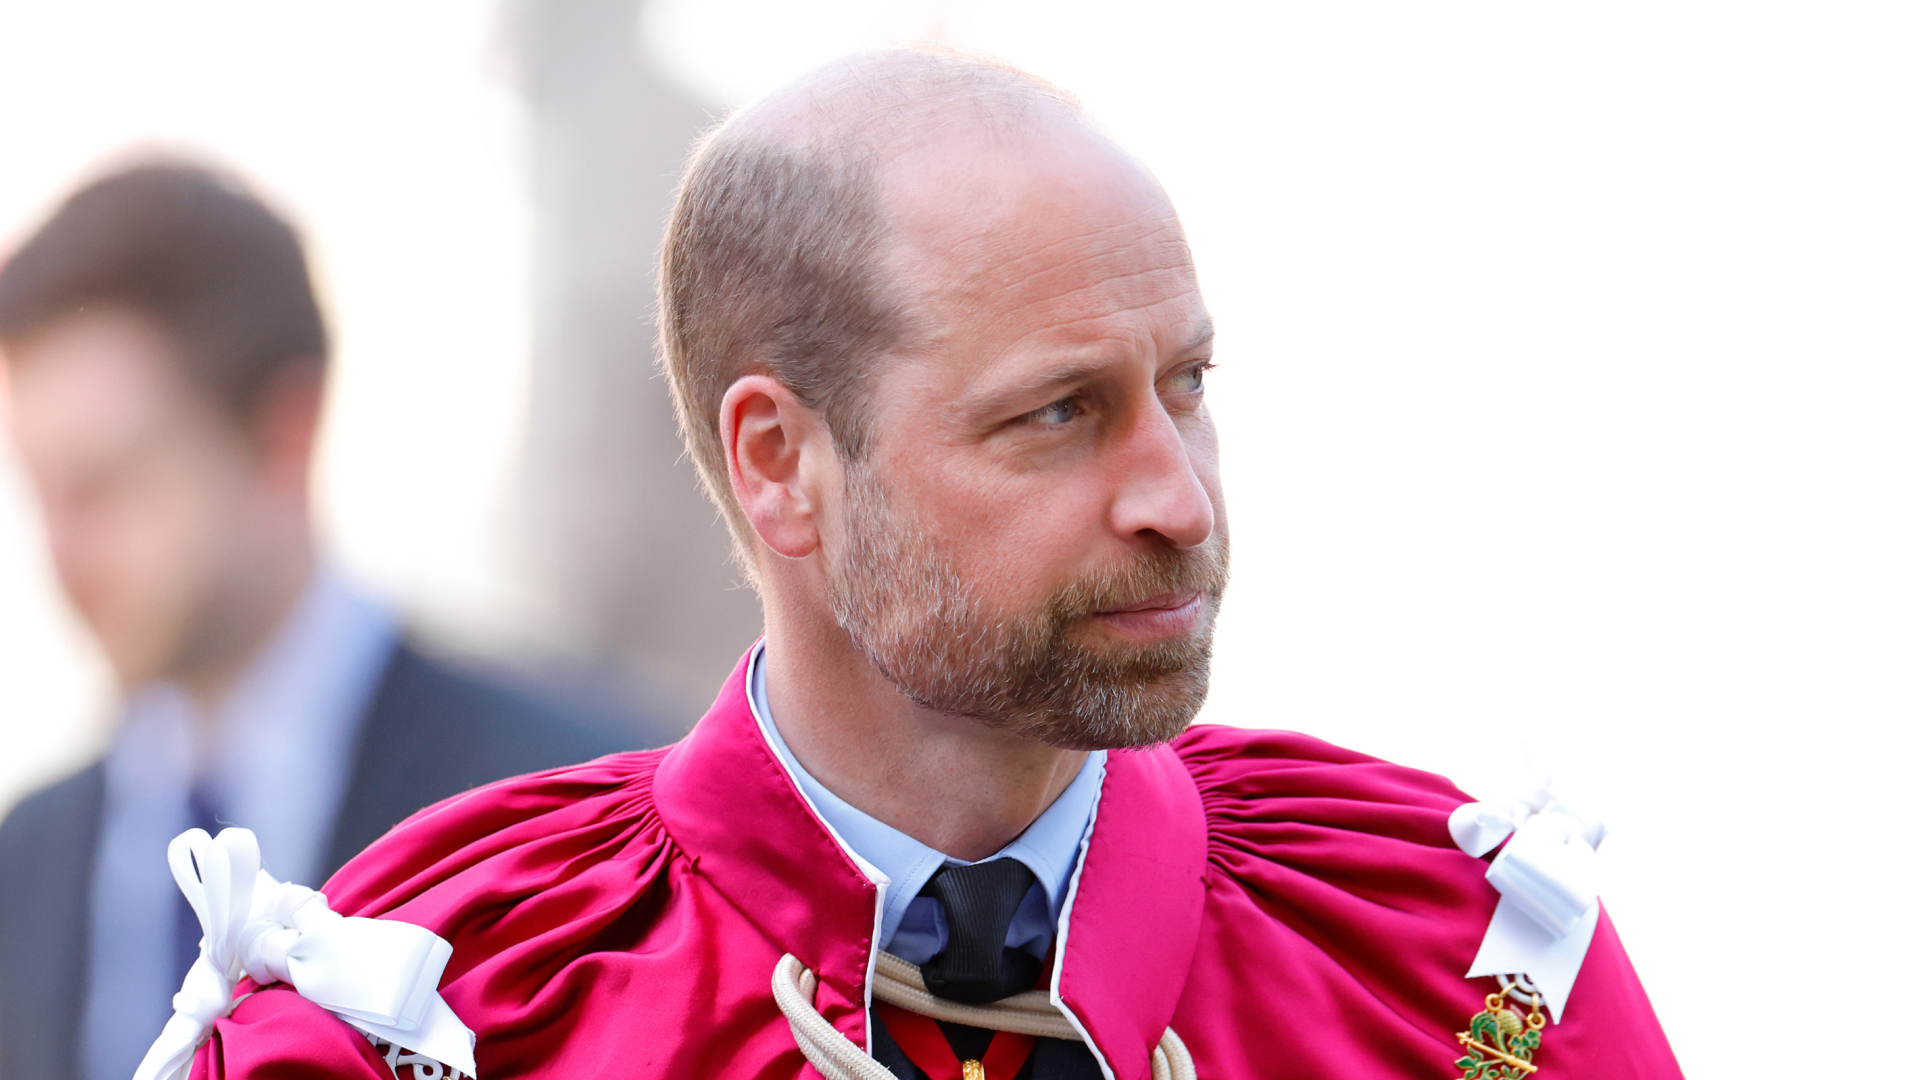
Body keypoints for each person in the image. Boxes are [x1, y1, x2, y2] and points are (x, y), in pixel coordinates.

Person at [162, 51, 1683, 1079]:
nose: (1176, 496)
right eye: (1059, 414)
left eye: (1190, 388)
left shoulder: (1464, 975)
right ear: (782, 464)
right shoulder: (440, 1011)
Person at [0, 163, 648, 1080]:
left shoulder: (576, 814)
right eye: (40, 491)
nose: (63, 554)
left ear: (282, 438)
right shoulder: (23, 863)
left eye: (109, 485)